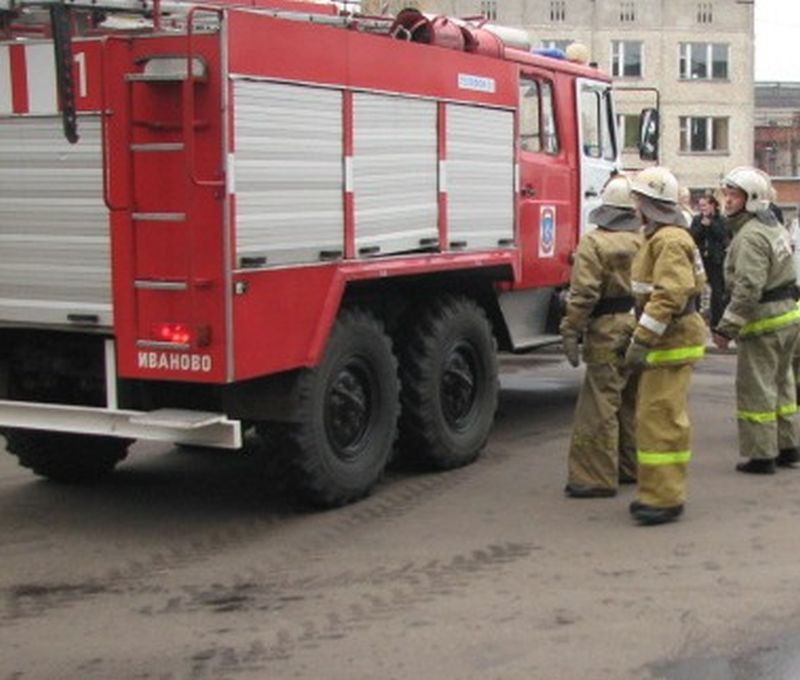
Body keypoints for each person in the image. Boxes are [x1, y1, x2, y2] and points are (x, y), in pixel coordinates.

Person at [623, 166, 707, 526]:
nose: (635, 207)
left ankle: (664, 498)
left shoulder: (669, 240)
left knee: (661, 419)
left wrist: (641, 338)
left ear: (649, 203)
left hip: (669, 341)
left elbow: (669, 295)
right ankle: (655, 491)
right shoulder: (661, 236)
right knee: (653, 417)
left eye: (638, 200)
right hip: (667, 340)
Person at [712, 167, 800, 474]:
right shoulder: (772, 227)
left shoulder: (749, 236)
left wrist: (726, 328)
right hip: (788, 317)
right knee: (784, 384)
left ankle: (761, 456)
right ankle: (788, 448)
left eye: (734, 195)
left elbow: (748, 287)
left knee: (757, 387)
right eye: (726, 194)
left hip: (765, 322)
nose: (727, 201)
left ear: (752, 199)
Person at [560, 175, 643, 498]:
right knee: (630, 401)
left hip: (606, 329)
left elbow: (583, 294)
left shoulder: (594, 243)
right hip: (637, 324)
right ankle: (629, 466)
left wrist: (570, 329)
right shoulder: (644, 240)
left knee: (600, 403)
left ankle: (594, 477)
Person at [690, 193, 729, 327]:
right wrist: (702, 226)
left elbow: (723, 236)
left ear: (713, 206)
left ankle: (716, 321)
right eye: (700, 206)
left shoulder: (721, 220)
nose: (702, 208)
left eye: (705, 205)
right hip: (700, 260)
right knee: (696, 291)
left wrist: (711, 224)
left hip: (715, 260)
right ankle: (695, 319)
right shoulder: (696, 220)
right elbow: (693, 236)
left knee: (717, 292)